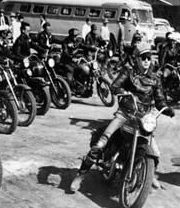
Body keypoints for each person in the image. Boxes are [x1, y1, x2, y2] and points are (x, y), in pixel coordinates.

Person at [70, 43, 174, 192]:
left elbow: (159, 98)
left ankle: (147, 175)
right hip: (125, 113)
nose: (146, 61)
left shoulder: (155, 78)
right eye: (143, 57)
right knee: (101, 143)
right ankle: (81, 175)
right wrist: (121, 90)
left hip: (143, 117)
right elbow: (115, 85)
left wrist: (166, 108)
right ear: (136, 59)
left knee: (155, 152)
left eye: (148, 58)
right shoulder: (128, 71)